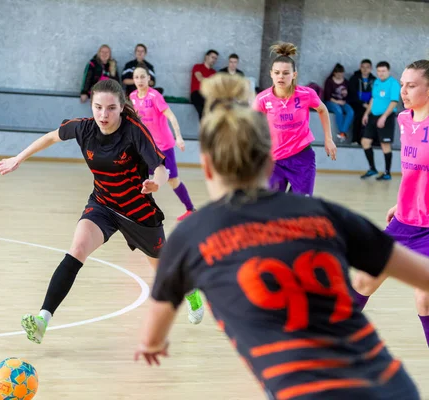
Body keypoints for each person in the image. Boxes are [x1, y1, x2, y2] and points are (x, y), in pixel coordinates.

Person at [133, 73, 424, 400]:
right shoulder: (327, 214)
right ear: (270, 156)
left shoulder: (191, 235)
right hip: (392, 387)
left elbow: (152, 334)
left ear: (207, 165)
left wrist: (151, 344)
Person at [0, 79, 205, 344]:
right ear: (92, 105)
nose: (103, 115)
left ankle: (191, 290)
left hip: (137, 211)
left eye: (111, 108)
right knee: (77, 249)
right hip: (103, 204)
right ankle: (42, 320)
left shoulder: (134, 131)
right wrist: (17, 158)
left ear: (121, 107)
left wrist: (156, 184)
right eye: (98, 107)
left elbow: (161, 169)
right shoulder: (83, 128)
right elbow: (51, 137)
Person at [353, 60, 429, 347]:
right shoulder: (404, 120)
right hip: (405, 221)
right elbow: (414, 171)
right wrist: (402, 203)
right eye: (402, 85)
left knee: (424, 298)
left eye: (411, 85)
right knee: (364, 280)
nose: (404, 91)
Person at [253, 42, 337, 196]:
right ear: (271, 73)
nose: (281, 77)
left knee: (300, 208)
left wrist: (328, 138)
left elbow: (322, 110)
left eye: (286, 73)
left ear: (294, 75)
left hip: (302, 158)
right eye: (277, 72)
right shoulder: (262, 99)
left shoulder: (306, 94)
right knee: (270, 205)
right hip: (274, 161)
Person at [130, 64, 196, 222]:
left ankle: (190, 209)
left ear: (149, 79)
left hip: (164, 146)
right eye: (136, 77)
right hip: (147, 146)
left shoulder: (155, 96)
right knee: (139, 176)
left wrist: (178, 137)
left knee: (172, 180)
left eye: (142, 77)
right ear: (133, 80)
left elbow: (171, 116)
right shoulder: (132, 97)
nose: (140, 80)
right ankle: (139, 211)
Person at [360, 61, 401, 181]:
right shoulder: (377, 82)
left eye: (383, 71)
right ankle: (372, 168)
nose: (381, 73)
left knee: (385, 145)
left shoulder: (393, 84)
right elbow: (373, 99)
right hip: (373, 116)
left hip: (386, 117)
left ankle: (387, 173)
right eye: (379, 71)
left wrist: (384, 117)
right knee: (365, 142)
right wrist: (366, 114)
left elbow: (394, 101)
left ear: (388, 71)